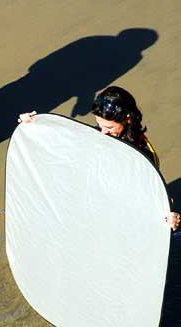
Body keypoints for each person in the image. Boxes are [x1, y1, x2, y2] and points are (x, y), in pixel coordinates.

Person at [18, 85, 181, 231]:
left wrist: (169, 215)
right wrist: (35, 124)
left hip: (126, 209)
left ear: (128, 119)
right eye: (99, 125)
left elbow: (154, 193)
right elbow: (66, 140)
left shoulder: (143, 154)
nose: (102, 132)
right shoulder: (102, 132)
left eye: (109, 127)